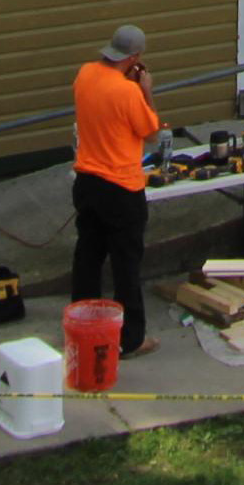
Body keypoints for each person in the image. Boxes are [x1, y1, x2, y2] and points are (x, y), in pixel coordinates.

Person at [70, 23, 164, 358]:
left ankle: (81, 327)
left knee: (88, 258)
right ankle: (131, 339)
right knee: (126, 265)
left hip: (87, 181)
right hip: (121, 188)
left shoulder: (85, 75)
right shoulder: (128, 93)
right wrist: (145, 91)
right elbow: (151, 131)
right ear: (135, 57)